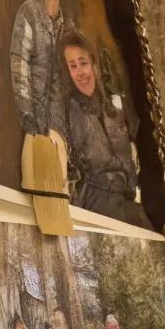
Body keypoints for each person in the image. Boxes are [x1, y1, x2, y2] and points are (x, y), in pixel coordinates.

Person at [62, 30, 151, 229]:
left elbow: (140, 140)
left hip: (130, 200)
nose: (80, 72)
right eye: (73, 66)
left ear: (94, 64)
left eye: (83, 63)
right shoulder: (68, 113)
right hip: (98, 205)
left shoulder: (116, 103)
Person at [9, 0, 69, 141]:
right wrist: (31, 125)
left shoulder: (67, 26)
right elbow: (20, 66)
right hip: (33, 130)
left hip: (59, 133)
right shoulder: (28, 13)